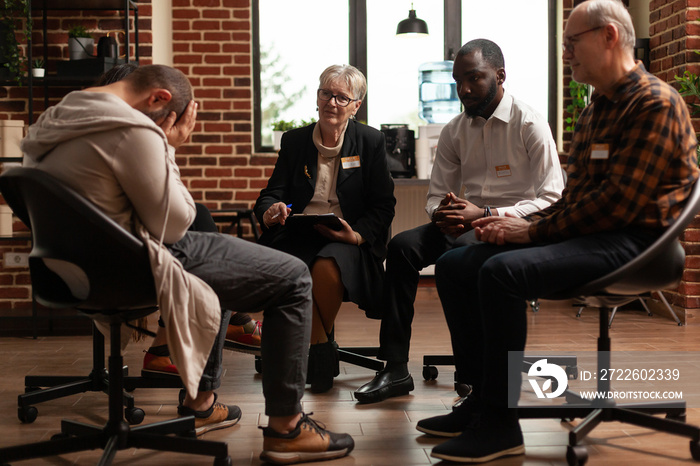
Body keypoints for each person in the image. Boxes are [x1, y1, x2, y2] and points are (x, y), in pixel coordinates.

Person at [21, 64, 354, 464]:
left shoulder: (60, 118)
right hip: (133, 264)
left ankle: (201, 403)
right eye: (179, 120)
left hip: (72, 268)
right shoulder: (132, 129)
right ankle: (287, 428)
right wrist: (168, 142)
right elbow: (178, 221)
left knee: (225, 258)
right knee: (293, 276)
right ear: (160, 100)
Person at [416, 0, 700, 463]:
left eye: (572, 42)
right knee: (454, 265)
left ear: (608, 37)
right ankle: (479, 403)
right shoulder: (594, 113)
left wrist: (528, 234)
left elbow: (618, 206)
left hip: (640, 244)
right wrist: (517, 222)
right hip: (594, 235)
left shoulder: (654, 103)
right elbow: (576, 201)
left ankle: (500, 426)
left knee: (501, 273)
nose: (566, 53)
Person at [354, 39, 565, 404]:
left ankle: (471, 381)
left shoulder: (529, 123)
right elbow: (437, 194)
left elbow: (552, 199)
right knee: (402, 248)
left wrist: (486, 215)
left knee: (459, 259)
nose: (464, 90)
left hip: (513, 227)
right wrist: (443, 214)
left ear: (500, 76)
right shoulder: (455, 130)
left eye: (474, 79)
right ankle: (395, 367)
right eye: (458, 82)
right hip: (467, 222)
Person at [93, 64, 263, 379]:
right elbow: (172, 220)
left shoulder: (92, 137)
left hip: (85, 263)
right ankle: (199, 363)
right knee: (205, 247)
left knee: (199, 226)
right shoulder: (126, 143)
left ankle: (170, 348)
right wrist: (166, 147)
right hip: (119, 267)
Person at [254, 64, 395, 393]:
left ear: (356, 106)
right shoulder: (295, 141)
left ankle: (308, 355)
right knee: (291, 266)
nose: (332, 102)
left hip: (347, 237)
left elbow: (383, 205)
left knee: (326, 267)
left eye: (341, 97)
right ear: (317, 98)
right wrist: (271, 211)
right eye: (326, 94)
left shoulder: (370, 141)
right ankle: (320, 351)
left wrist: (356, 234)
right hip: (297, 231)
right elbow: (271, 194)